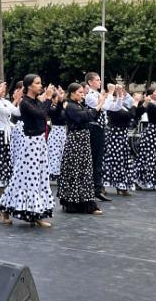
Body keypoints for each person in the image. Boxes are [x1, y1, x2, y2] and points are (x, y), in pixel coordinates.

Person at [0, 75, 54, 227]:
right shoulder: (25, 102)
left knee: (40, 178)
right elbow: (42, 114)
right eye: (37, 83)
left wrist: (46, 99)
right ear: (29, 86)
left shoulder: (36, 101)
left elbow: (43, 114)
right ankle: (7, 209)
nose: (40, 85)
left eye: (40, 82)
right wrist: (48, 98)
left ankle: (37, 212)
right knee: (27, 178)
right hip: (30, 144)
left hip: (40, 142)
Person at [58, 83, 105, 215]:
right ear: (72, 93)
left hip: (83, 140)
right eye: (79, 92)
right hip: (76, 140)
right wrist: (99, 105)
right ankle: (73, 203)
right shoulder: (71, 105)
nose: (82, 94)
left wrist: (96, 108)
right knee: (75, 171)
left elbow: (91, 116)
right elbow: (84, 117)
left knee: (84, 171)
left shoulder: (78, 104)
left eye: (82, 92)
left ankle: (83, 202)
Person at [103, 86, 138, 196]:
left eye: (123, 93)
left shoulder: (123, 106)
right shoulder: (113, 107)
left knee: (123, 161)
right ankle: (104, 185)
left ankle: (121, 186)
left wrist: (136, 106)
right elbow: (129, 115)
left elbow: (133, 115)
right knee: (113, 160)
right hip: (115, 136)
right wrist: (134, 105)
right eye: (120, 94)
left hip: (123, 136)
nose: (123, 95)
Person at [84, 72, 113, 202]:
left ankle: (97, 188)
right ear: (90, 82)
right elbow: (104, 107)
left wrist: (115, 96)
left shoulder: (98, 95)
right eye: (97, 80)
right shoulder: (90, 96)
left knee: (99, 160)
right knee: (95, 160)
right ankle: (93, 189)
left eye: (100, 79)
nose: (100, 82)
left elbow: (112, 107)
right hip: (94, 128)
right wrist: (111, 93)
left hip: (100, 128)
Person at [47, 87, 67, 181]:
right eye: (57, 98)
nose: (59, 99)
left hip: (63, 132)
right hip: (55, 132)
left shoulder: (63, 107)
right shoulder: (51, 108)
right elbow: (57, 112)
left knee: (62, 153)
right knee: (54, 153)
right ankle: (53, 173)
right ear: (52, 99)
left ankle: (61, 173)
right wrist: (60, 100)